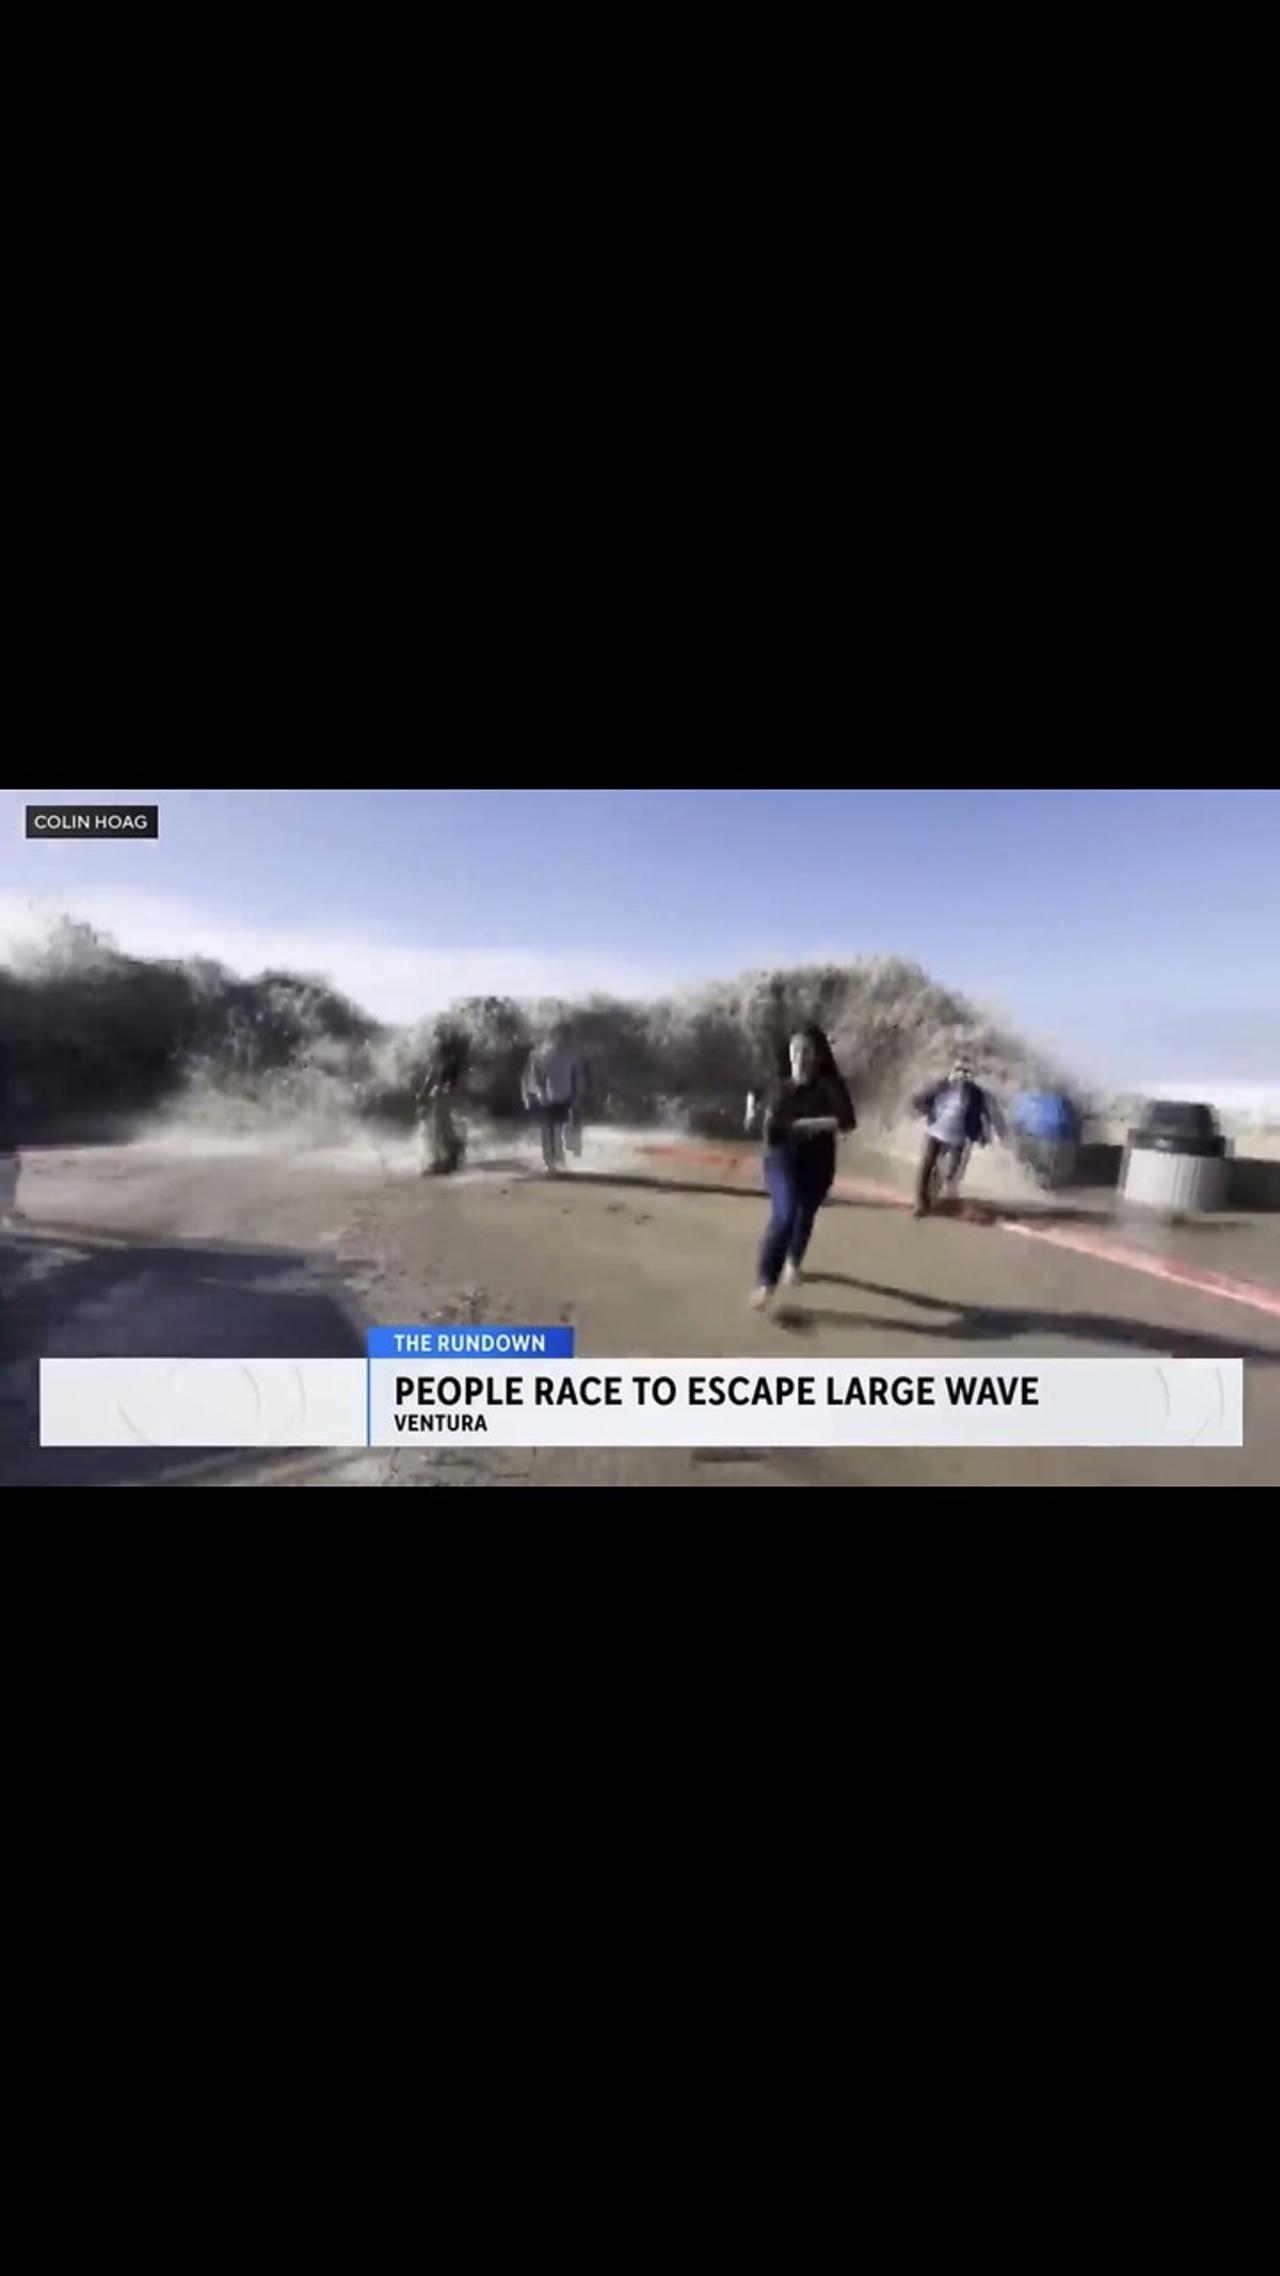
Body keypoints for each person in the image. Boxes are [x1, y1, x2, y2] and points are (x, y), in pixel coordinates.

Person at [745, 1025, 856, 1309]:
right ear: (789, 1053)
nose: (801, 1056)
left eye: (807, 1051)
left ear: (818, 1056)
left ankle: (793, 1262)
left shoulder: (829, 1086)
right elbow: (755, 1092)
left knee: (805, 1214)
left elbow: (846, 1121)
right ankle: (765, 1282)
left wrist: (808, 1124)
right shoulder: (778, 1084)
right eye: (796, 1050)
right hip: (781, 1159)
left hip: (819, 1163)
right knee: (785, 1213)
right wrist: (750, 1111)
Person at [911, 1055, 1002, 1216]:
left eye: (965, 1071)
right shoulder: (941, 1085)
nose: (962, 1075)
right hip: (936, 1131)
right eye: (959, 1070)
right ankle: (920, 1202)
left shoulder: (976, 1093)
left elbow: (985, 1115)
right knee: (926, 1165)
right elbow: (922, 1099)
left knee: (952, 1172)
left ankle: (941, 1193)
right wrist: (918, 1109)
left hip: (959, 1137)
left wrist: (984, 1135)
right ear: (954, 1070)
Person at [521, 1029, 583, 1172]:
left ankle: (554, 1161)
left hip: (554, 1097)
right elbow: (533, 1077)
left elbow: (572, 1077)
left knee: (554, 1130)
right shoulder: (538, 1056)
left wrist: (573, 1096)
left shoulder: (561, 1056)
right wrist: (532, 1094)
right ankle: (552, 1161)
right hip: (548, 1097)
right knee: (551, 1130)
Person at [417, 1026, 469, 1175]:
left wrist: (432, 1090)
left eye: (438, 1036)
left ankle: (445, 1160)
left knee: (441, 1125)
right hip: (443, 1092)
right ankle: (450, 1156)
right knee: (442, 1125)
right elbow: (433, 1073)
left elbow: (451, 1076)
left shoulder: (450, 1054)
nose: (436, 1039)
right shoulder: (442, 1053)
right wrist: (424, 1091)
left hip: (447, 1093)